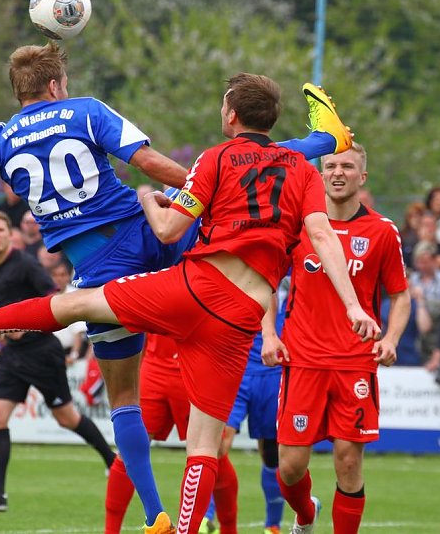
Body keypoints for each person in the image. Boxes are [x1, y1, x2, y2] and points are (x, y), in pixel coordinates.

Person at [0, 41, 351, 530]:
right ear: (56, 85)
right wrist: (206, 185)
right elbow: (147, 163)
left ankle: (155, 515)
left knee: (123, 395)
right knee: (254, 169)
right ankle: (324, 141)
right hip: (152, 234)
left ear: (20, 91)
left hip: (99, 263)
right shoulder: (86, 110)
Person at [0, 74, 379, 534]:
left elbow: (169, 231)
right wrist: (354, 305)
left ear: (230, 115)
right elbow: (320, 234)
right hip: (242, 319)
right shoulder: (298, 168)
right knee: (204, 446)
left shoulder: (214, 158)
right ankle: (188, 529)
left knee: (77, 304)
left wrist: (146, 199)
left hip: (195, 289)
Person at [265, 143, 410, 534]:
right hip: (302, 359)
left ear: (362, 177)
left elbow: (400, 295)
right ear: (320, 174)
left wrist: (391, 339)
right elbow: (266, 282)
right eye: (330, 166)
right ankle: (306, 514)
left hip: (354, 363)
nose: (337, 172)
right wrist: (268, 335)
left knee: (348, 461)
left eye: (347, 166)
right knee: (291, 467)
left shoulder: (381, 231)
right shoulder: (298, 227)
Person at [0, 211, 116, 513]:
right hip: (12, 355)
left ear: (10, 234)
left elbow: (54, 297)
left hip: (42, 353)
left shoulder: (25, 263)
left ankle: (113, 462)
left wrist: (27, 326)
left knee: (66, 418)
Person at [105, 333, 239, 534]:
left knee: (214, 451)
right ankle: (111, 530)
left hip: (194, 366)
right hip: (154, 366)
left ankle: (229, 528)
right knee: (127, 451)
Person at [219, 301, 286, 534]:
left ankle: (273, 525)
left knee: (271, 454)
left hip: (274, 370)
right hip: (237, 366)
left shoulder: (296, 272)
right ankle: (207, 519)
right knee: (218, 442)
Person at [409, 242, 440, 361]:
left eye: (425, 262)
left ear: (434, 260)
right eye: (419, 262)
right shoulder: (412, 280)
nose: (422, 266)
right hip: (414, 333)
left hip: (438, 334)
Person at [399, 202, 426, 269]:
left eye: (418, 216)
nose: (415, 219)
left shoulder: (428, 235)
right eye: (412, 216)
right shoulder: (402, 235)